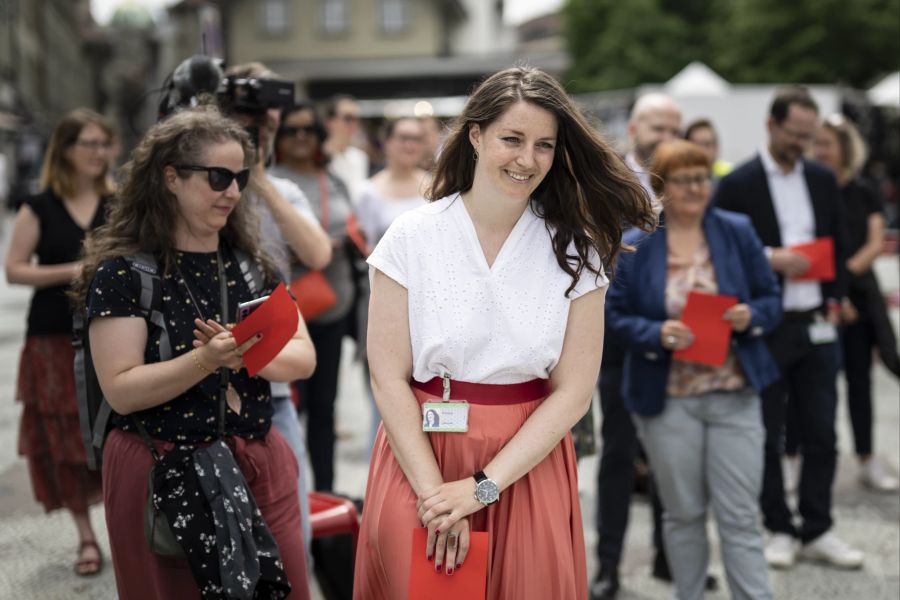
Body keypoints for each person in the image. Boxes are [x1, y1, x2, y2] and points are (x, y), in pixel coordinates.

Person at [353, 66, 655, 599]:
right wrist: (438, 499)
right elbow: (387, 376)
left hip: (525, 464)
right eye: (511, 139)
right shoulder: (411, 237)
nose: (527, 159)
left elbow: (574, 392)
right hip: (419, 455)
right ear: (475, 135)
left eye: (544, 145)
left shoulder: (575, 249)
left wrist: (482, 488)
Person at [73, 106, 314, 599]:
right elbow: (121, 390)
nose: (233, 192)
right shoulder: (125, 274)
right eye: (218, 177)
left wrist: (242, 354)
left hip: (260, 459)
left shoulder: (251, 265)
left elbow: (303, 357)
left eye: (240, 177)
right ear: (170, 178)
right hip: (164, 470)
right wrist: (206, 360)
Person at [608, 139, 780, 600]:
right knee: (682, 515)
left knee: (740, 516)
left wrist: (751, 316)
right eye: (683, 180)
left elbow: (770, 300)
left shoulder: (736, 231)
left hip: (734, 394)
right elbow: (613, 316)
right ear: (662, 187)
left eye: (702, 177)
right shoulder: (637, 242)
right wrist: (656, 333)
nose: (695, 188)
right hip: (667, 403)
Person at [713, 86, 862, 570]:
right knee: (767, 432)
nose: (802, 144)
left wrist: (837, 299)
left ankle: (818, 526)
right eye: (794, 135)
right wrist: (769, 257)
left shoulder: (821, 178)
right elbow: (723, 252)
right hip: (768, 328)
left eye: (808, 135)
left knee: (823, 431)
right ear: (772, 126)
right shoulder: (739, 183)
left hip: (817, 321)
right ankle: (778, 526)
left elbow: (839, 241)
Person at [222, 60, 333, 563]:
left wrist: (260, 178)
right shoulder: (205, 186)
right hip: (212, 376)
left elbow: (318, 253)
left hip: (276, 384)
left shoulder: (281, 189)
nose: (260, 133)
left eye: (268, 125)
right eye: (250, 123)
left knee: (293, 537)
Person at [592, 92, 697, 600]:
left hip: (676, 339)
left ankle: (667, 557)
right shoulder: (606, 180)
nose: (665, 136)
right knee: (617, 454)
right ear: (634, 127)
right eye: (657, 126)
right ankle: (608, 565)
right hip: (616, 336)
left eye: (673, 127)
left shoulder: (686, 180)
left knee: (669, 452)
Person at [5, 108, 114, 577]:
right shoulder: (40, 205)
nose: (98, 152)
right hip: (51, 336)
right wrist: (74, 272)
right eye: (88, 143)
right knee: (65, 438)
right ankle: (86, 536)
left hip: (112, 332)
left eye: (104, 143)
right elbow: (14, 269)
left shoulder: (119, 204)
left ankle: (126, 524)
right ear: (65, 150)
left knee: (116, 433)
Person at [271, 101, 357, 492]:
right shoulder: (271, 182)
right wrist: (312, 249)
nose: (301, 137)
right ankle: (292, 494)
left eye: (308, 129)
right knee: (290, 407)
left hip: (332, 306)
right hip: (289, 312)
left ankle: (325, 492)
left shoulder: (332, 178)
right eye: (291, 130)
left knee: (325, 409)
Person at [811, 114, 899, 491]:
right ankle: (810, 462)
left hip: (859, 296)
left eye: (827, 144)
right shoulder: (811, 188)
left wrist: (842, 283)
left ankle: (866, 458)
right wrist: (832, 291)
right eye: (817, 145)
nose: (820, 151)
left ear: (844, 149)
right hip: (822, 297)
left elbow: (875, 242)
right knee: (818, 384)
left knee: (861, 381)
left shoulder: (864, 189)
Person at [356, 117, 429, 448]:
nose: (409, 145)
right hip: (384, 294)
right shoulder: (368, 191)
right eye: (402, 137)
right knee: (385, 376)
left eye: (415, 138)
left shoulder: (434, 184)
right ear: (387, 142)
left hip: (429, 296)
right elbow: (364, 243)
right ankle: (386, 450)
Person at [323, 94, 369, 203]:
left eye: (356, 119)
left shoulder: (360, 157)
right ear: (329, 122)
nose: (353, 124)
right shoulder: (319, 157)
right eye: (348, 118)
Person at [684, 118, 733, 184]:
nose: (702, 150)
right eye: (697, 145)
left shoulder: (730, 174)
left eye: (707, 144)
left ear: (716, 148)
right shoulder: (677, 176)